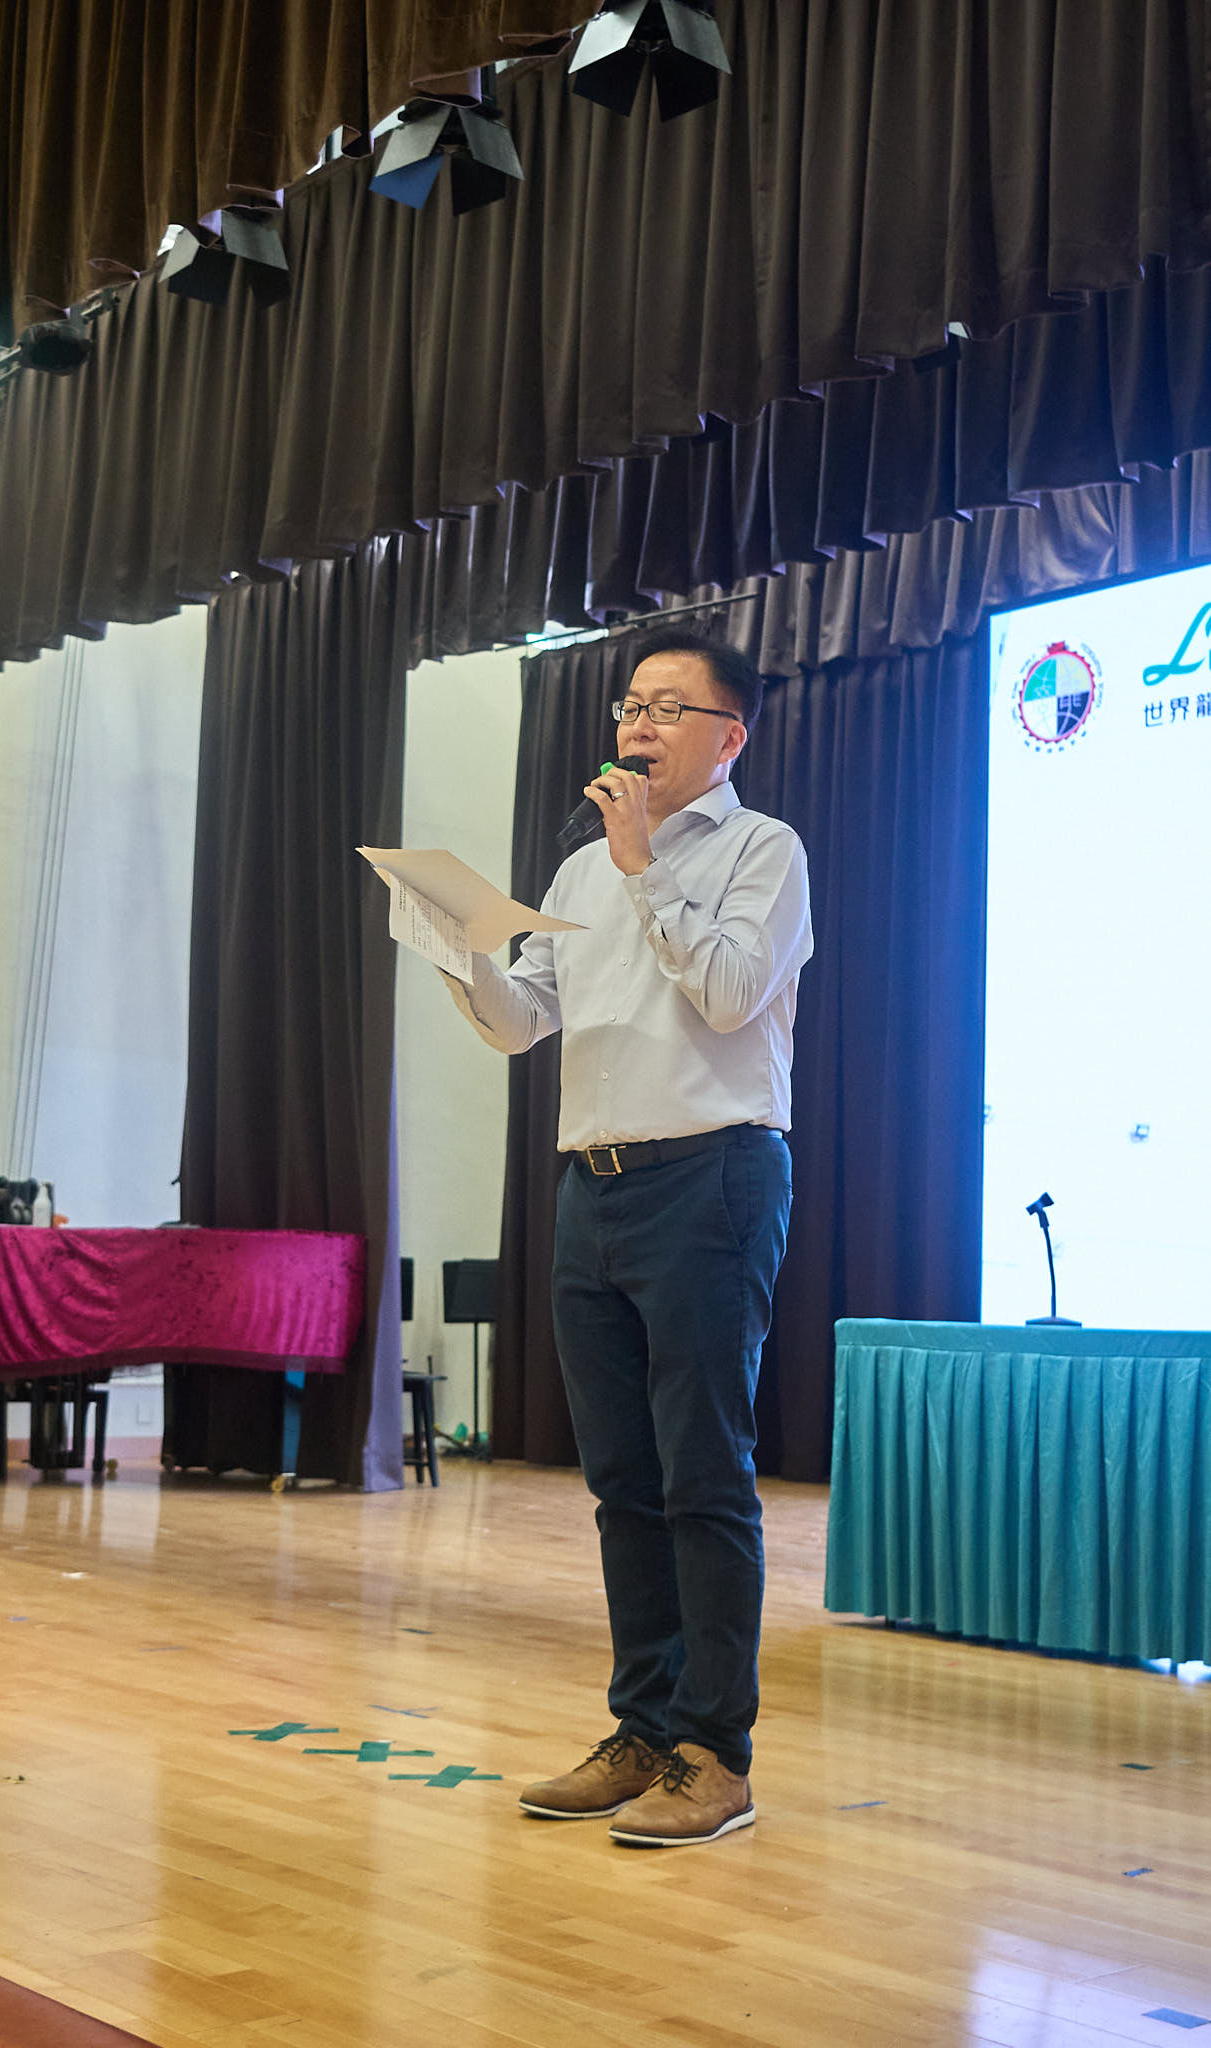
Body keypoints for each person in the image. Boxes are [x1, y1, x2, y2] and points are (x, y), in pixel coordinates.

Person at [442, 626, 813, 1847]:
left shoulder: (764, 851)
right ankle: (643, 1730)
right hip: (590, 1186)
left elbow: (729, 993)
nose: (637, 724)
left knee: (702, 1473)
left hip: (712, 1176)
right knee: (622, 1483)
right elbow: (521, 1021)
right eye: (629, 706)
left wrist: (643, 862)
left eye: (665, 706)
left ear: (728, 736)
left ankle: (716, 1751)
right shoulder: (580, 870)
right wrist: (456, 950)